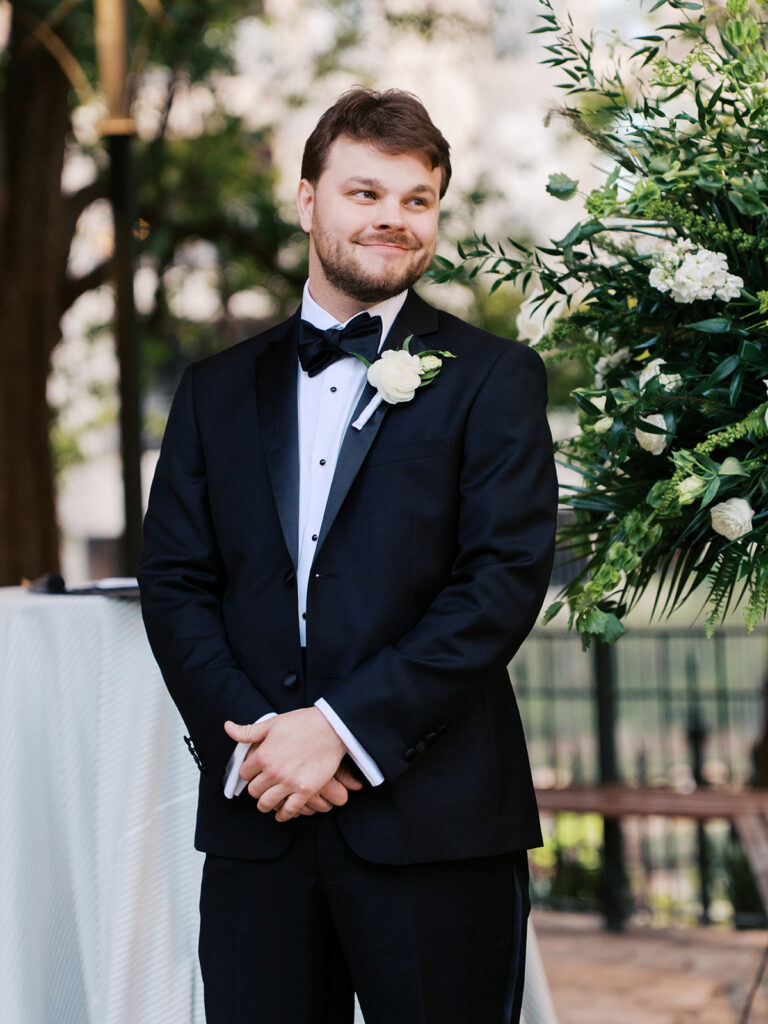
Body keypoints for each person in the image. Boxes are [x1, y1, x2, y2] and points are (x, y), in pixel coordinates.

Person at [137, 87, 558, 1024]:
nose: (394, 221)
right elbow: (175, 583)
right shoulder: (213, 391)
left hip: (437, 825)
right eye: (366, 193)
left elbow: (499, 583)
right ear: (307, 201)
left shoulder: (494, 378)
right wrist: (266, 746)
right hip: (262, 820)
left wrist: (340, 729)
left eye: (418, 200)